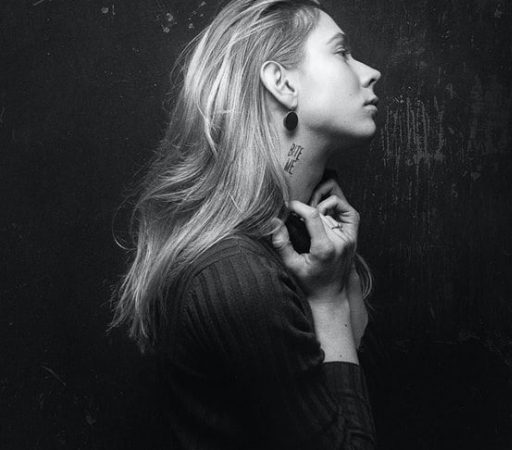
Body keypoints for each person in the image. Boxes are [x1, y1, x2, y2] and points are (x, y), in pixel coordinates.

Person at [111, 0, 381, 448]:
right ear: (282, 82)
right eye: (341, 52)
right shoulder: (239, 276)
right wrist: (331, 304)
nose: (371, 72)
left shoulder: (291, 244)